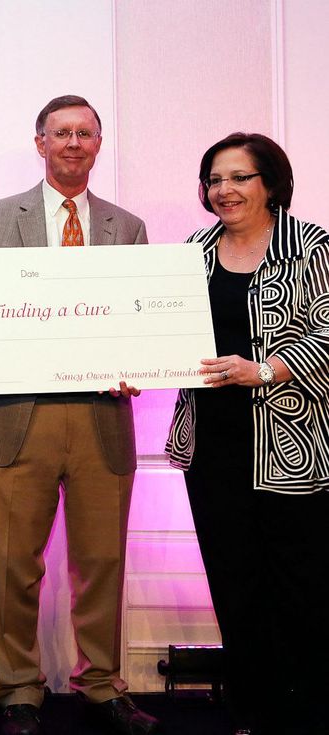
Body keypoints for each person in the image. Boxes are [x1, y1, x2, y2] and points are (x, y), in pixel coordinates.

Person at [0, 95, 158, 735]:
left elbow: (143, 322)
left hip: (103, 418)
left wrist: (146, 361)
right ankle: (17, 687)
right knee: (13, 562)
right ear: (40, 140)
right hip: (18, 416)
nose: (73, 143)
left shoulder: (128, 227)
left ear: (98, 144)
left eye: (85, 133)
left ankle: (101, 684)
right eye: (61, 133)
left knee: (102, 562)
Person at [166, 132, 329, 735]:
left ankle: (309, 706)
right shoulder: (192, 252)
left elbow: (327, 340)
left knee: (301, 585)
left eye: (238, 177)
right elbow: (162, 334)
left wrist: (261, 370)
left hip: (292, 445)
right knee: (234, 582)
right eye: (214, 179)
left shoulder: (312, 246)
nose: (224, 190)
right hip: (211, 444)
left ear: (271, 182)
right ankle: (253, 707)